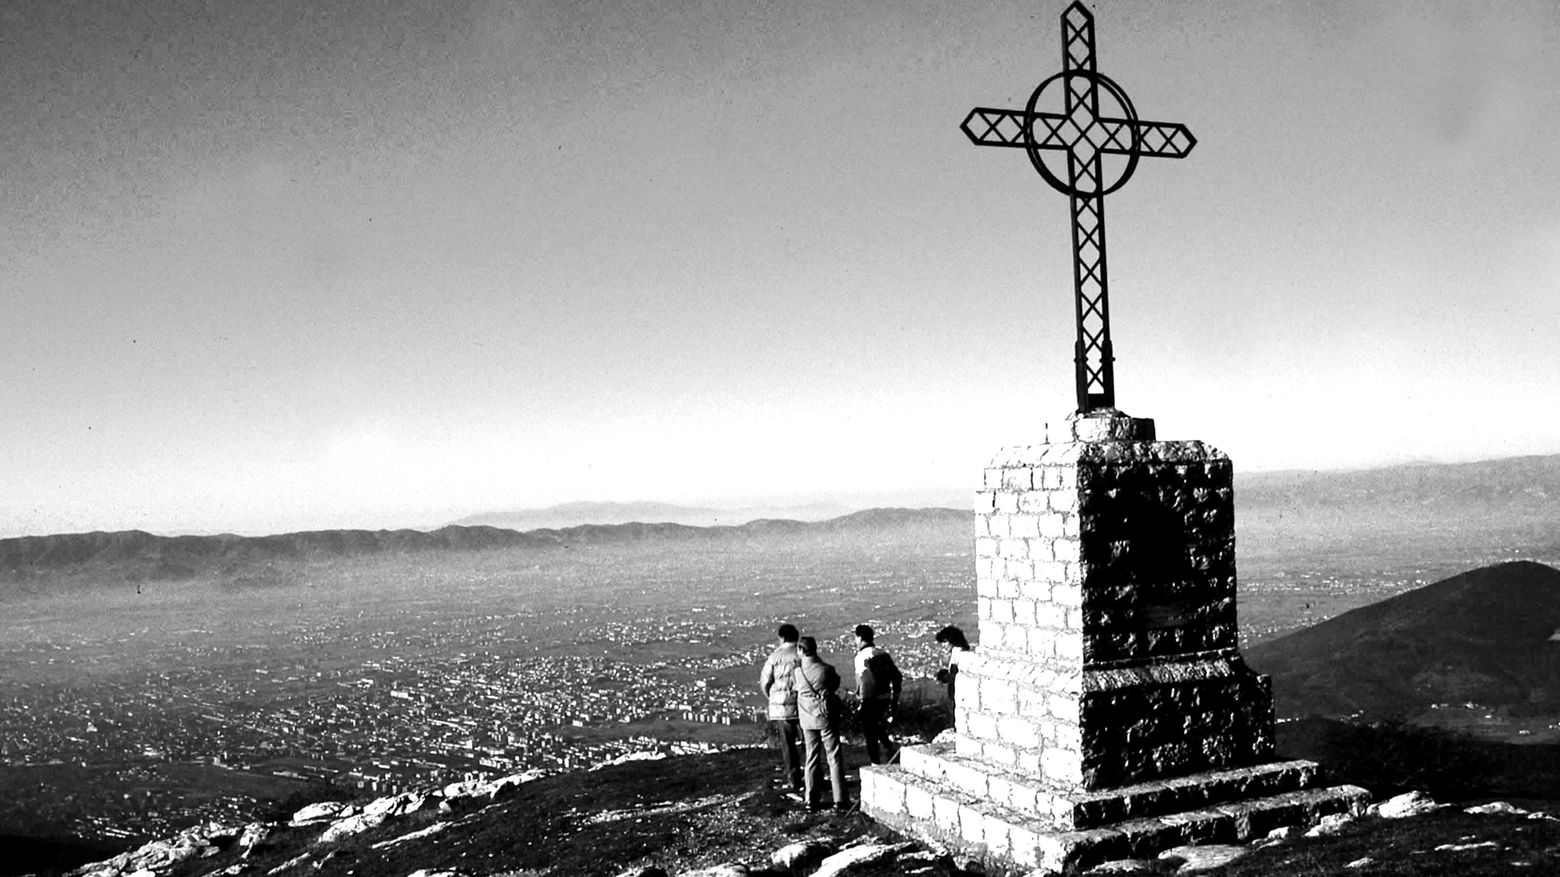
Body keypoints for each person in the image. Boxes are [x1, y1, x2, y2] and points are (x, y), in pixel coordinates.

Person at [792, 636, 849, 812]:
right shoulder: (826, 670)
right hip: (825, 716)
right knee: (834, 757)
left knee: (812, 757)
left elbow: (795, 688)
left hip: (807, 720)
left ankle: (811, 799)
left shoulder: (797, 672)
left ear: (801, 651)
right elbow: (835, 684)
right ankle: (840, 799)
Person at [758, 623, 803, 792]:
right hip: (803, 705)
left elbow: (765, 682)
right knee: (809, 743)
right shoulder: (802, 653)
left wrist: (773, 698)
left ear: (781, 638)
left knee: (788, 745)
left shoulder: (774, 657)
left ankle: (793, 779)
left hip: (782, 707)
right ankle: (814, 776)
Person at [852, 624, 902, 765]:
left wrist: (862, 701)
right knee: (876, 725)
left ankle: (875, 761)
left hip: (871, 699)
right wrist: (894, 698)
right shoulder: (883, 653)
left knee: (869, 731)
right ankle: (888, 746)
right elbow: (896, 675)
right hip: (885, 697)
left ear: (860, 638)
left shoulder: (861, 656)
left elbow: (865, 680)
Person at [934, 625, 972, 716]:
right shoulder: (958, 653)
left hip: (961, 698)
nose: (943, 645)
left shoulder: (959, 654)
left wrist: (944, 677)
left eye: (945, 642)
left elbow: (961, 678)